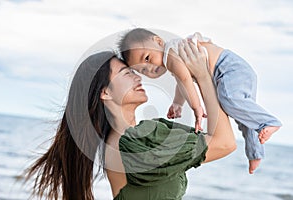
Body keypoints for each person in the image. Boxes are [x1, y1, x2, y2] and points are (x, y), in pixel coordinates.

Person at [24, 42, 236, 200]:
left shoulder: (125, 139)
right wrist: (203, 76)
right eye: (126, 73)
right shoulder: (132, 143)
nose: (138, 78)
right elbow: (225, 143)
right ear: (105, 92)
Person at [118, 28, 282, 174]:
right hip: (232, 71)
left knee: (229, 101)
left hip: (228, 68)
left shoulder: (171, 54)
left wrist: (196, 108)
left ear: (158, 41)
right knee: (244, 117)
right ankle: (255, 154)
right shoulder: (173, 58)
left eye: (147, 58)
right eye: (143, 70)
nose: (150, 68)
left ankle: (269, 121)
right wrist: (177, 102)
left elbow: (185, 80)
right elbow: (182, 81)